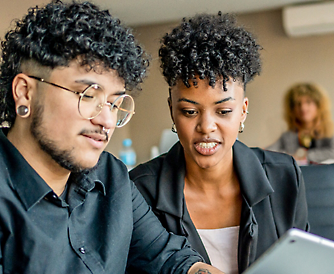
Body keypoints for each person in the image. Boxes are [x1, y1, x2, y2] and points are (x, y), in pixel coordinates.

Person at [0, 2, 223, 273]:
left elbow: (168, 258)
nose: (107, 120)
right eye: (87, 94)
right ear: (24, 93)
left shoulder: (111, 177)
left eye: (114, 102)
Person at [129, 13, 308, 274]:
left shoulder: (284, 175)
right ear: (172, 111)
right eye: (190, 112)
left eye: (223, 111)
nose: (206, 127)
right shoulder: (140, 190)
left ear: (243, 111)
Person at [266, 82, 334, 164]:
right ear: (292, 108)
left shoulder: (327, 131)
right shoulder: (288, 135)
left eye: (308, 102)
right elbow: (270, 152)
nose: (303, 108)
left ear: (319, 106)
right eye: (298, 104)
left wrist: (304, 156)